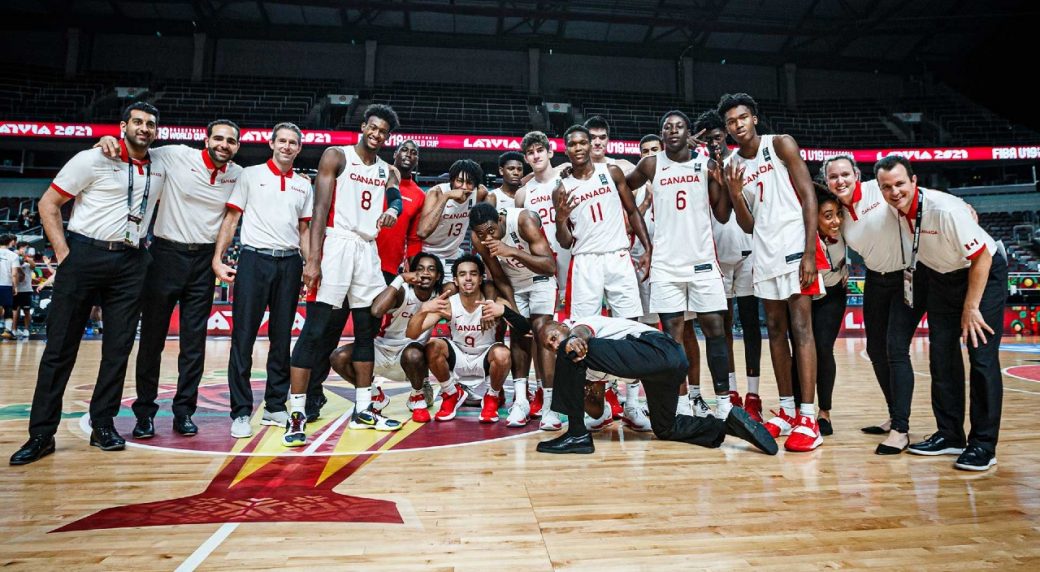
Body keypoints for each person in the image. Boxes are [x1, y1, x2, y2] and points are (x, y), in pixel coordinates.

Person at [11, 102, 167, 465]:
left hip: (131, 260)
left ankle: (103, 425)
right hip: (84, 253)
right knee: (59, 349)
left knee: (117, 350)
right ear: (123, 125)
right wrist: (65, 256)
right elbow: (49, 204)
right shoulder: (92, 158)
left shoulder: (162, 164)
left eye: (151, 124)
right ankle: (41, 434)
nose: (144, 128)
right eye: (138, 122)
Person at [97, 119, 244, 439]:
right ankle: (145, 414)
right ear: (206, 140)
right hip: (164, 256)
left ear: (237, 146)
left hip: (204, 262)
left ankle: (184, 412)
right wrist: (109, 139)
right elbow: (137, 148)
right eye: (218, 138)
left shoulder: (238, 174)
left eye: (230, 141)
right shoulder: (177, 155)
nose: (223, 144)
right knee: (152, 340)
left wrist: (217, 259)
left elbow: (232, 219)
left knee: (194, 344)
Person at [876, 156, 1006, 471]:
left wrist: (972, 306)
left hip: (981, 274)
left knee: (982, 357)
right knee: (942, 357)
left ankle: (983, 446)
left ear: (914, 182)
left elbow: (983, 258)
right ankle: (950, 435)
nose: (894, 192)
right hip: (939, 278)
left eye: (900, 184)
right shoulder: (893, 211)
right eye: (887, 187)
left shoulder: (944, 210)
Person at [718, 93, 828, 452]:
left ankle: (808, 417)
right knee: (776, 332)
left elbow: (809, 196)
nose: (738, 125)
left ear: (754, 119)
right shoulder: (733, 164)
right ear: (727, 128)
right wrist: (734, 193)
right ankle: (786, 409)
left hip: (796, 248)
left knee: (801, 329)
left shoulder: (780, 144)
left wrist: (810, 252)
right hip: (763, 253)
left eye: (743, 117)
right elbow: (748, 225)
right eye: (732, 121)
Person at [291, 104, 403, 437]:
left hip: (367, 249)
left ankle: (364, 408)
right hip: (337, 243)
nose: (376, 133)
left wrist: (394, 211)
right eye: (372, 127)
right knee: (316, 328)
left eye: (383, 131)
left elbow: (396, 198)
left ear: (387, 136)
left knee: (366, 331)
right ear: (363, 126)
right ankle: (296, 412)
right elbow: (320, 207)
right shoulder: (336, 156)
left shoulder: (387, 170)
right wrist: (313, 259)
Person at [625, 110, 734, 427]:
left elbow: (723, 215)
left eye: (679, 126)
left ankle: (724, 404)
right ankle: (682, 404)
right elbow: (624, 187)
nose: (673, 131)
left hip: (702, 264)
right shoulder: (651, 164)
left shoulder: (706, 165)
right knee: (672, 340)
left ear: (688, 133)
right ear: (661, 135)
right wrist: (636, 220)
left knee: (715, 331)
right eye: (667, 127)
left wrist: (723, 182)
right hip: (666, 266)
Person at [534, 315, 777, 456]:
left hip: (659, 348)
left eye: (554, 337)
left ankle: (577, 436)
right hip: (666, 367)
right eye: (549, 346)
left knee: (570, 351)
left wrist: (572, 340)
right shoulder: (586, 360)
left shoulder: (581, 327)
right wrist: (584, 392)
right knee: (667, 427)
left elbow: (582, 332)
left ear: (563, 325)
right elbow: (596, 409)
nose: (554, 346)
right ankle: (730, 426)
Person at [213, 122, 312, 439]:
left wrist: (310, 266)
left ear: (299, 148)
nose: (286, 146)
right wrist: (218, 257)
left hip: (290, 262)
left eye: (292, 142)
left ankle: (274, 406)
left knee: (282, 338)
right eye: (281, 141)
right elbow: (232, 219)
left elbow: (305, 231)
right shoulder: (249, 175)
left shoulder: (303, 185)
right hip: (254, 259)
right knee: (243, 337)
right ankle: (241, 412)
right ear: (271, 144)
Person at [821, 154, 923, 453]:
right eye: (833, 177)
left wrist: (962, 206)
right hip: (875, 280)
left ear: (856, 174)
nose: (840, 181)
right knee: (876, 350)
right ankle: (894, 417)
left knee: (895, 348)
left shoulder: (877, 189)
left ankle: (902, 430)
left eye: (845, 174)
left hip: (907, 277)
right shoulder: (837, 211)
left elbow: (917, 195)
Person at [286, 252, 444, 445]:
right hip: (381, 352)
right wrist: (400, 279)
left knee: (414, 351)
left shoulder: (441, 295)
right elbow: (377, 310)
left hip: (410, 360)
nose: (425, 273)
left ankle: (417, 393)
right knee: (338, 356)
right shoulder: (402, 291)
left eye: (431, 269)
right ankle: (374, 395)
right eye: (420, 269)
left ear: (438, 275)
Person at [406, 254, 530, 424]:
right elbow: (412, 334)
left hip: (485, 360)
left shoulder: (494, 303)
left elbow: (525, 328)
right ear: (456, 281)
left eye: (473, 274)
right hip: (459, 358)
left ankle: (491, 398)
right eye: (462, 274)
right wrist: (422, 310)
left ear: (480, 279)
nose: (468, 278)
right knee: (433, 345)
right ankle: (450, 393)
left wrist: (504, 311)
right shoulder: (448, 304)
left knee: (503, 353)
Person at [696, 110, 763, 422]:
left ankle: (753, 394)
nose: (714, 141)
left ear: (727, 135)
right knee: (721, 330)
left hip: (748, 252)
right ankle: (731, 390)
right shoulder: (698, 168)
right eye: (708, 138)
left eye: (718, 135)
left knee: (750, 326)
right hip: (716, 258)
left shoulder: (740, 163)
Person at [469, 202, 557, 427]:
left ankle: (549, 405)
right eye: (481, 234)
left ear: (499, 220)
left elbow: (549, 266)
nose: (487, 237)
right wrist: (516, 316)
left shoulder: (522, 220)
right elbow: (498, 277)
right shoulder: (480, 239)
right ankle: (520, 401)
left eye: (490, 231)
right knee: (518, 335)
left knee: (542, 333)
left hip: (540, 279)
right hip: (513, 283)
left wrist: (512, 251)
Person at [513, 131, 569, 428]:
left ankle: (589, 391)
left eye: (540, 150)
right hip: (541, 268)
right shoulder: (524, 194)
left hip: (569, 259)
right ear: (526, 158)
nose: (535, 156)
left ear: (550, 152)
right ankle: (542, 395)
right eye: (530, 153)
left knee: (572, 329)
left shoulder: (565, 181)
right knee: (540, 333)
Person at [802, 185, 849, 437]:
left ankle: (824, 412)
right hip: (805, 295)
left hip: (833, 293)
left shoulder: (845, 226)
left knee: (823, 348)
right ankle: (801, 408)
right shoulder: (802, 233)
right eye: (828, 215)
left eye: (838, 214)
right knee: (801, 349)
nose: (836, 221)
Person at [416, 159, 488, 281]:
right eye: (459, 181)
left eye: (470, 182)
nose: (464, 187)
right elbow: (422, 232)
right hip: (429, 253)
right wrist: (446, 197)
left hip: (453, 254)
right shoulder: (437, 193)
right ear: (451, 180)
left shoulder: (479, 193)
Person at [375, 139, 426, 282]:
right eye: (404, 150)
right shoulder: (375, 178)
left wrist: (416, 270)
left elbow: (414, 240)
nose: (409, 154)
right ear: (395, 154)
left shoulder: (420, 195)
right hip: (362, 259)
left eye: (414, 152)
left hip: (390, 267)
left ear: (417, 160)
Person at [12, 242, 34, 338]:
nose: (24, 249)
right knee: (15, 311)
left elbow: (34, 266)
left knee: (26, 311)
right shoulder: (13, 260)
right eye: (22, 248)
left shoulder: (28, 262)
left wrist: (25, 256)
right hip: (14, 289)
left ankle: (26, 330)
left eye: (25, 248)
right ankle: (14, 330)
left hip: (26, 290)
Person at [0, 234, 17, 340]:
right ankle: (7, 330)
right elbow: (14, 273)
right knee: (8, 307)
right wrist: (15, 286)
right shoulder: (13, 255)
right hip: (6, 284)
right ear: (10, 242)